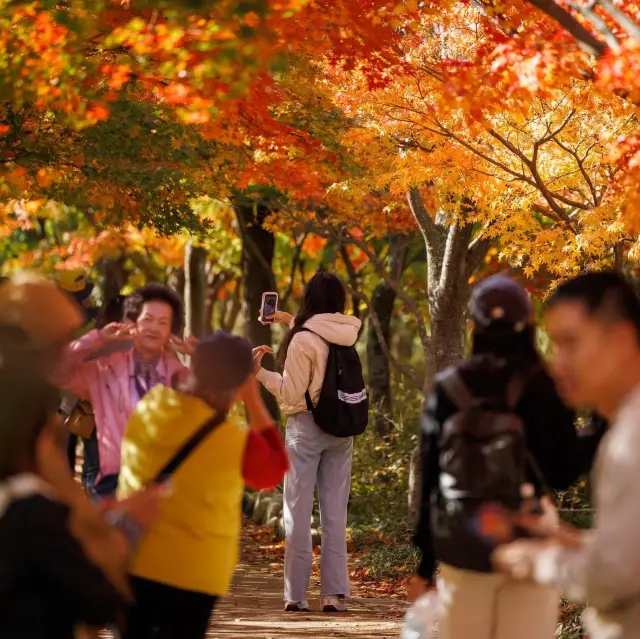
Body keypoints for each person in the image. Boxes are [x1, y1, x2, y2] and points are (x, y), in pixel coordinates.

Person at [412, 274, 605, 639]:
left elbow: (431, 477)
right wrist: (597, 426)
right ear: (528, 325)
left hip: (464, 540)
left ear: (474, 327)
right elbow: (562, 472)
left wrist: (424, 563)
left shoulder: (449, 388)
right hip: (530, 536)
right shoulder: (543, 385)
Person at [493, 271, 640, 639]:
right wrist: (580, 542)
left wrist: (538, 561)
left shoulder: (631, 437)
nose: (558, 364)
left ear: (622, 340)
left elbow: (614, 577)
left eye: (570, 343)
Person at [118, 331, 289, 639]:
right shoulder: (235, 440)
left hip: (137, 559)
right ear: (237, 386)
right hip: (197, 572)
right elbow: (274, 471)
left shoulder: (150, 407)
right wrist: (252, 398)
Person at [255, 272, 362, 613]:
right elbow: (320, 348)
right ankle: (333, 595)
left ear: (310, 300)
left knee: (297, 514)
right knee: (334, 517)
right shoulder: (347, 332)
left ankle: (296, 595)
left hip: (306, 429)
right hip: (342, 430)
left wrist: (257, 372)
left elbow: (290, 394)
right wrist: (288, 321)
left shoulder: (302, 340)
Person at [53, 283, 190, 496]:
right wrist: (97, 338)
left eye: (163, 322)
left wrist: (195, 352)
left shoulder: (176, 373)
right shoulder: (104, 369)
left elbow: (216, 398)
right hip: (114, 481)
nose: (153, 328)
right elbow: (57, 370)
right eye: (146, 319)